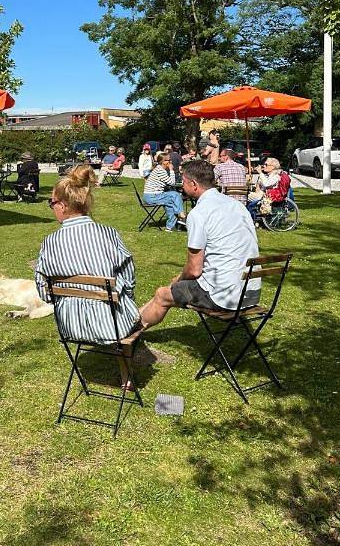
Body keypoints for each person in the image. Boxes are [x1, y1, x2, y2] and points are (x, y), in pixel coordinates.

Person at [34, 165, 141, 389]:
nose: (51, 207)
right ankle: (126, 375)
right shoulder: (108, 234)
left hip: (70, 325)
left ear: (62, 206)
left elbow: (44, 292)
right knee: (127, 304)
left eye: (52, 203)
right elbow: (128, 275)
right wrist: (125, 295)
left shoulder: (49, 243)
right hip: (112, 325)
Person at [138, 159, 260, 328]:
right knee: (174, 287)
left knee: (162, 294)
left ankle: (128, 331)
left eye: (184, 182)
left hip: (223, 296)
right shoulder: (237, 206)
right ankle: (131, 320)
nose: (182, 187)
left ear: (193, 184)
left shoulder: (199, 213)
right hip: (249, 293)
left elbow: (194, 270)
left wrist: (178, 280)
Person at [143, 153, 187, 232]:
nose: (170, 162)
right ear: (163, 162)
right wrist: (171, 170)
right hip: (152, 197)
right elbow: (172, 182)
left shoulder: (159, 169)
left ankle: (170, 227)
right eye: (169, 160)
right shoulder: (160, 171)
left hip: (153, 196)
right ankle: (181, 215)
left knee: (171, 203)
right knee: (175, 194)